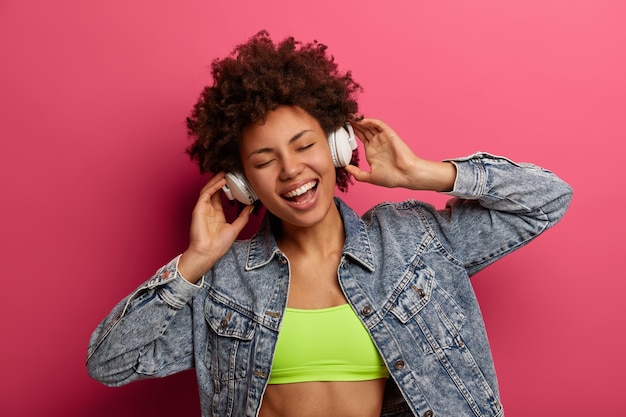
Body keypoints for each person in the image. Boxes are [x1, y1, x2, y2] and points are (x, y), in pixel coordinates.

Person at [87, 31, 572, 417]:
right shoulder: (223, 280)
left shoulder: (410, 242)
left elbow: (547, 199)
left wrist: (423, 174)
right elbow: (109, 363)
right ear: (242, 182)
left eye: (304, 145)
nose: (292, 170)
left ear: (337, 145)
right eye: (264, 160)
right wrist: (195, 262)